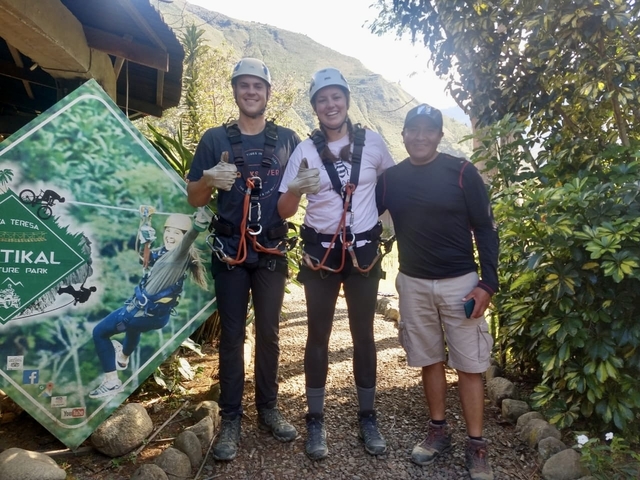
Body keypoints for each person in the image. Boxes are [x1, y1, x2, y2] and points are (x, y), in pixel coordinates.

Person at [376, 103, 499, 480]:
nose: (420, 136)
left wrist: (487, 284)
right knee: (429, 359)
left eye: (429, 130)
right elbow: (365, 220)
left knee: (470, 365)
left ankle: (476, 445)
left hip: (460, 284)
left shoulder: (461, 173)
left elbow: (485, 229)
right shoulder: (391, 179)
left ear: (440, 136)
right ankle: (438, 430)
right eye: (413, 129)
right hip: (413, 284)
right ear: (404, 134)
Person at [278, 67, 395, 460]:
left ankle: (367, 414)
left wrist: (394, 231)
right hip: (321, 253)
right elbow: (283, 209)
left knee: (364, 334)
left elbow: (395, 190)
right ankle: (315, 419)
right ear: (315, 107)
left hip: (362, 251)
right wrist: (295, 188)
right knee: (318, 335)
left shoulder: (374, 144)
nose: (330, 105)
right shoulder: (305, 151)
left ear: (346, 101)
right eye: (322, 100)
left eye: (336, 97)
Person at [186, 58, 300, 461]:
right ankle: (232, 415)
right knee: (232, 336)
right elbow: (194, 197)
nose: (251, 92)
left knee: (269, 333)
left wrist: (299, 191)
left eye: (258, 86)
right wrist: (207, 180)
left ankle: (268, 406)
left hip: (270, 250)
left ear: (268, 93)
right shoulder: (214, 140)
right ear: (236, 91)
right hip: (230, 252)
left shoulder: (288, 141)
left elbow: (288, 207)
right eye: (244, 86)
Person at [89, 210, 210, 399]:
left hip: (138, 313)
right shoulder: (166, 252)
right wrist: (144, 226)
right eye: (168, 231)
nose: (170, 236)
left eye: (176, 233)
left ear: (184, 237)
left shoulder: (179, 254)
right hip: (158, 318)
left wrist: (198, 225)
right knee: (134, 329)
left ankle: (112, 381)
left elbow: (190, 238)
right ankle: (122, 358)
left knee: (99, 333)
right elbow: (144, 260)